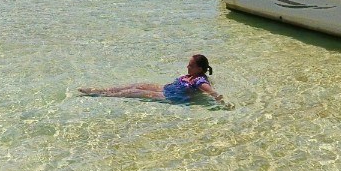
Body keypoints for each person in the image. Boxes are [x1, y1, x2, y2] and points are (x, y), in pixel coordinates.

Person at [79, 54, 232, 107]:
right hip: (166, 88)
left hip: (172, 97)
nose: (187, 66)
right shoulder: (194, 75)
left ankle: (100, 95)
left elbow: (213, 93)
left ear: (199, 69)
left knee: (133, 92)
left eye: (191, 66)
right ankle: (101, 90)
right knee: (136, 85)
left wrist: (225, 104)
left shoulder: (200, 82)